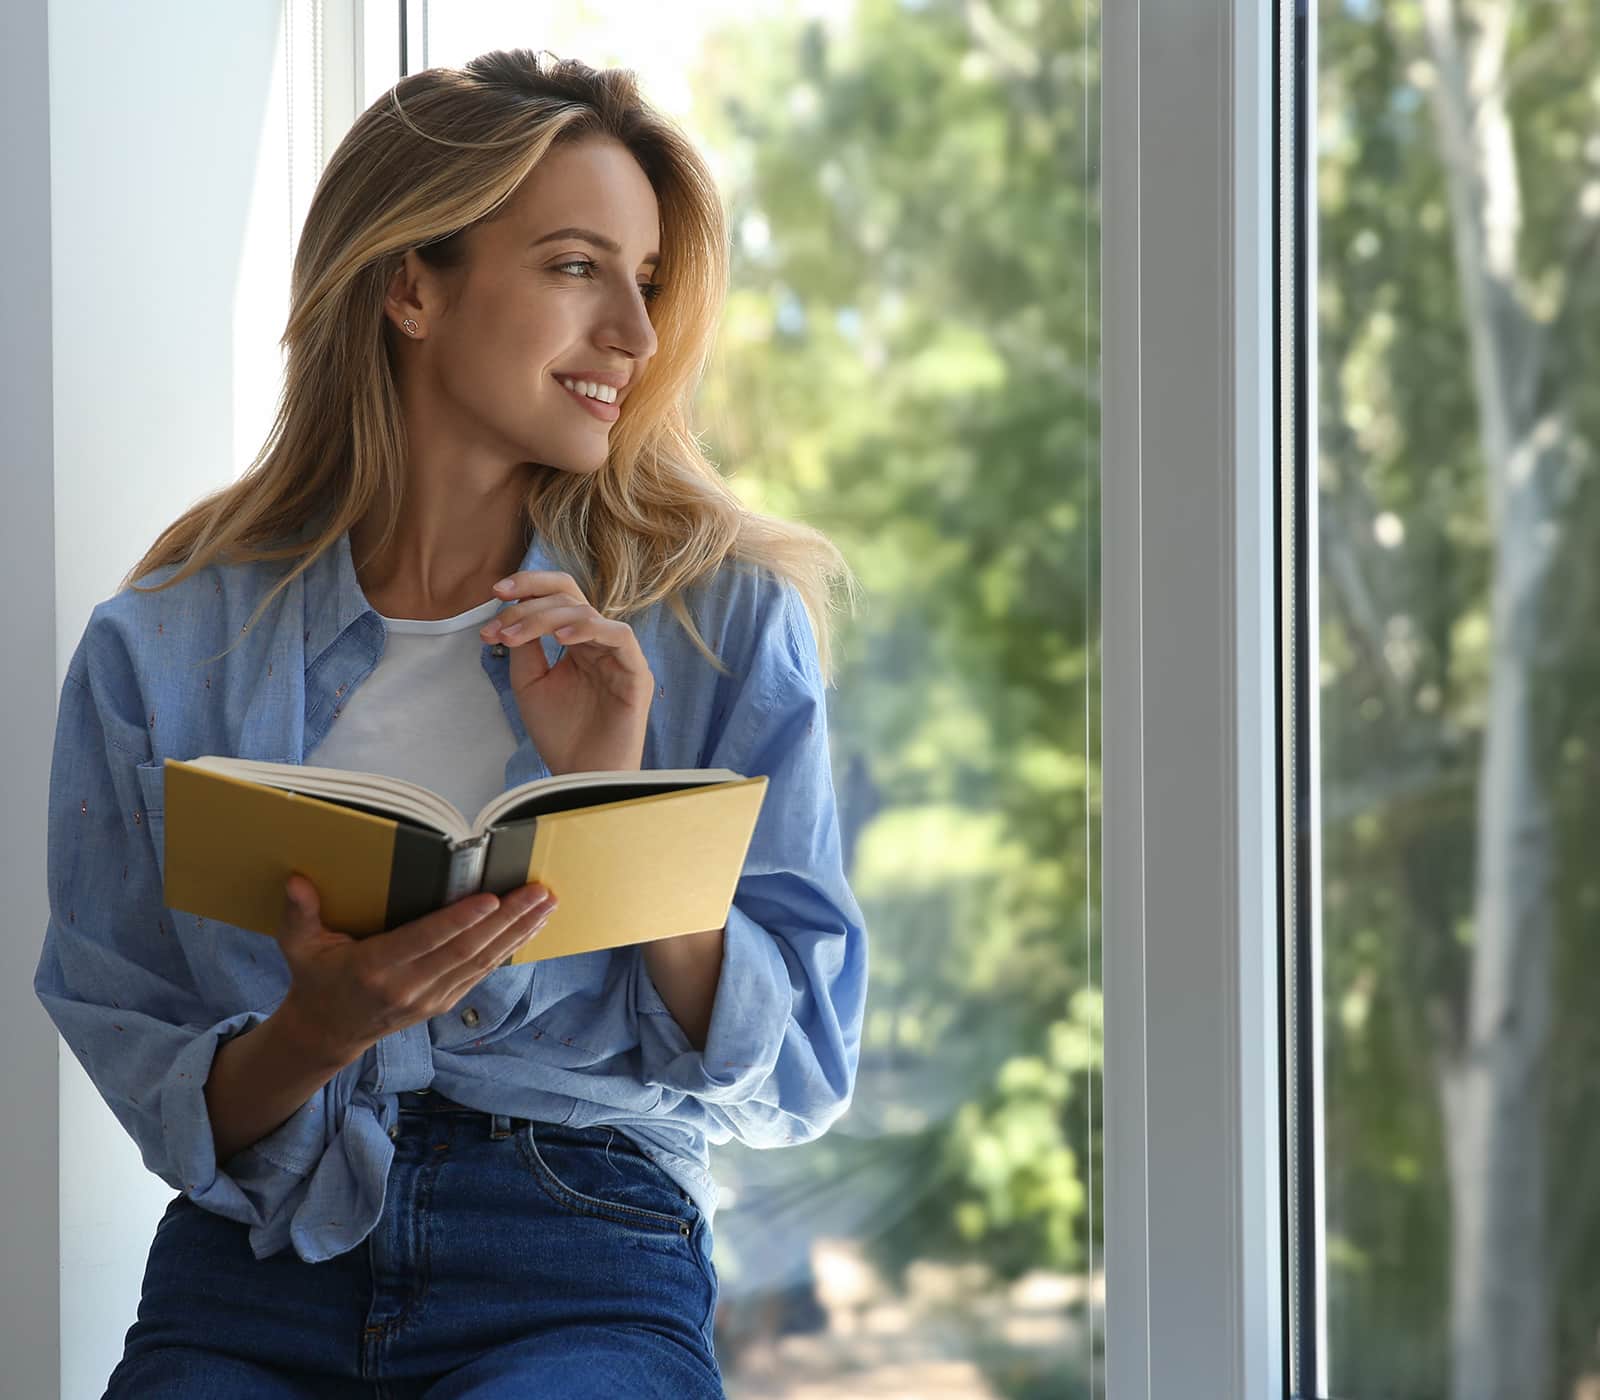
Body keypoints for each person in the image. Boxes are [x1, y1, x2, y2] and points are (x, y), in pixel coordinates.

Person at [34, 49, 867, 1399]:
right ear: (410, 284)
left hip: (579, 1256)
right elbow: (132, 1033)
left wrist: (621, 806)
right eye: (577, 267)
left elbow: (800, 1075)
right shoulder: (165, 646)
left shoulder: (721, 624)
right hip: (255, 1273)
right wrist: (311, 1034)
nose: (636, 340)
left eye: (647, 284)